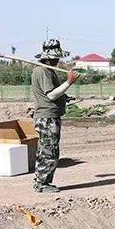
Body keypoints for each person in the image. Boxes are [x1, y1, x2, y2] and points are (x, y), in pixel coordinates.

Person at [31, 39, 80, 194]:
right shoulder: (43, 71)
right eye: (56, 58)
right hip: (47, 117)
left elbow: (54, 94)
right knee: (49, 151)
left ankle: (40, 180)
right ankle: (42, 184)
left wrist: (64, 97)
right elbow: (51, 95)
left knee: (46, 150)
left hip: (49, 115)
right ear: (50, 57)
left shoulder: (48, 70)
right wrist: (69, 82)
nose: (58, 61)